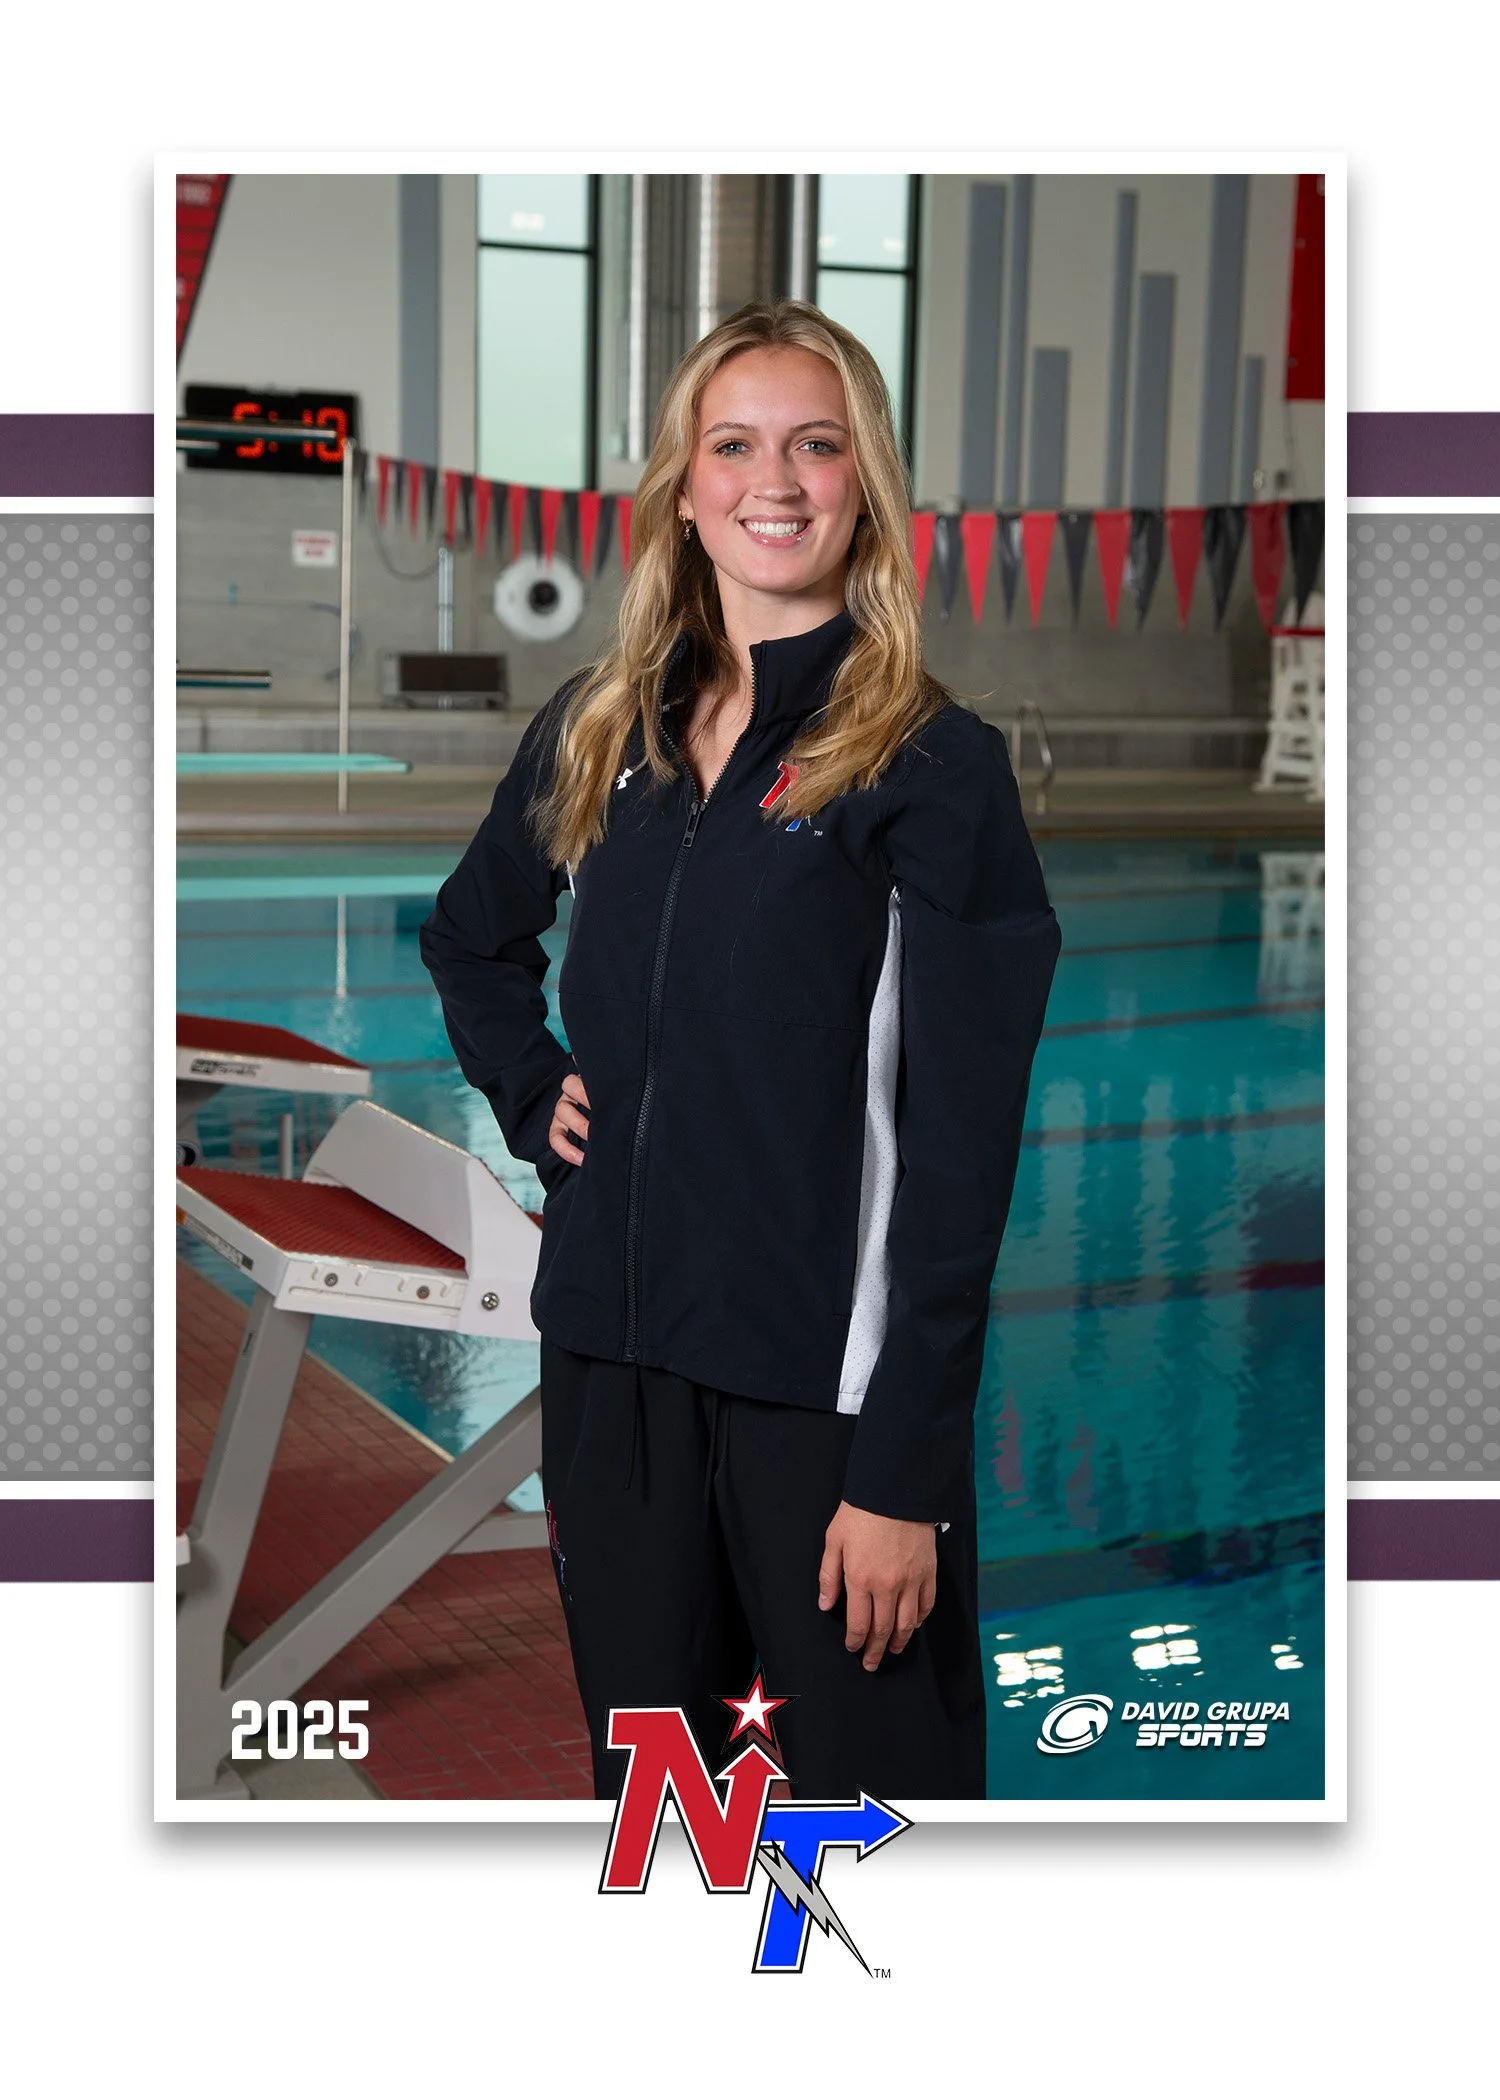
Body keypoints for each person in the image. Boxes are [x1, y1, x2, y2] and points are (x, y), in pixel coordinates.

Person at [420, 299, 1061, 1802]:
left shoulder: (929, 767)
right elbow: (470, 936)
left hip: (817, 1405)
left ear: (864, 482)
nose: (775, 479)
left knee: (865, 1843)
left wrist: (901, 1471)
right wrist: (532, 1087)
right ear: (685, 486)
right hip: (613, 1377)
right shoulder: (602, 728)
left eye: (816, 444)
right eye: (736, 444)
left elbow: (959, 1162)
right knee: (657, 1805)